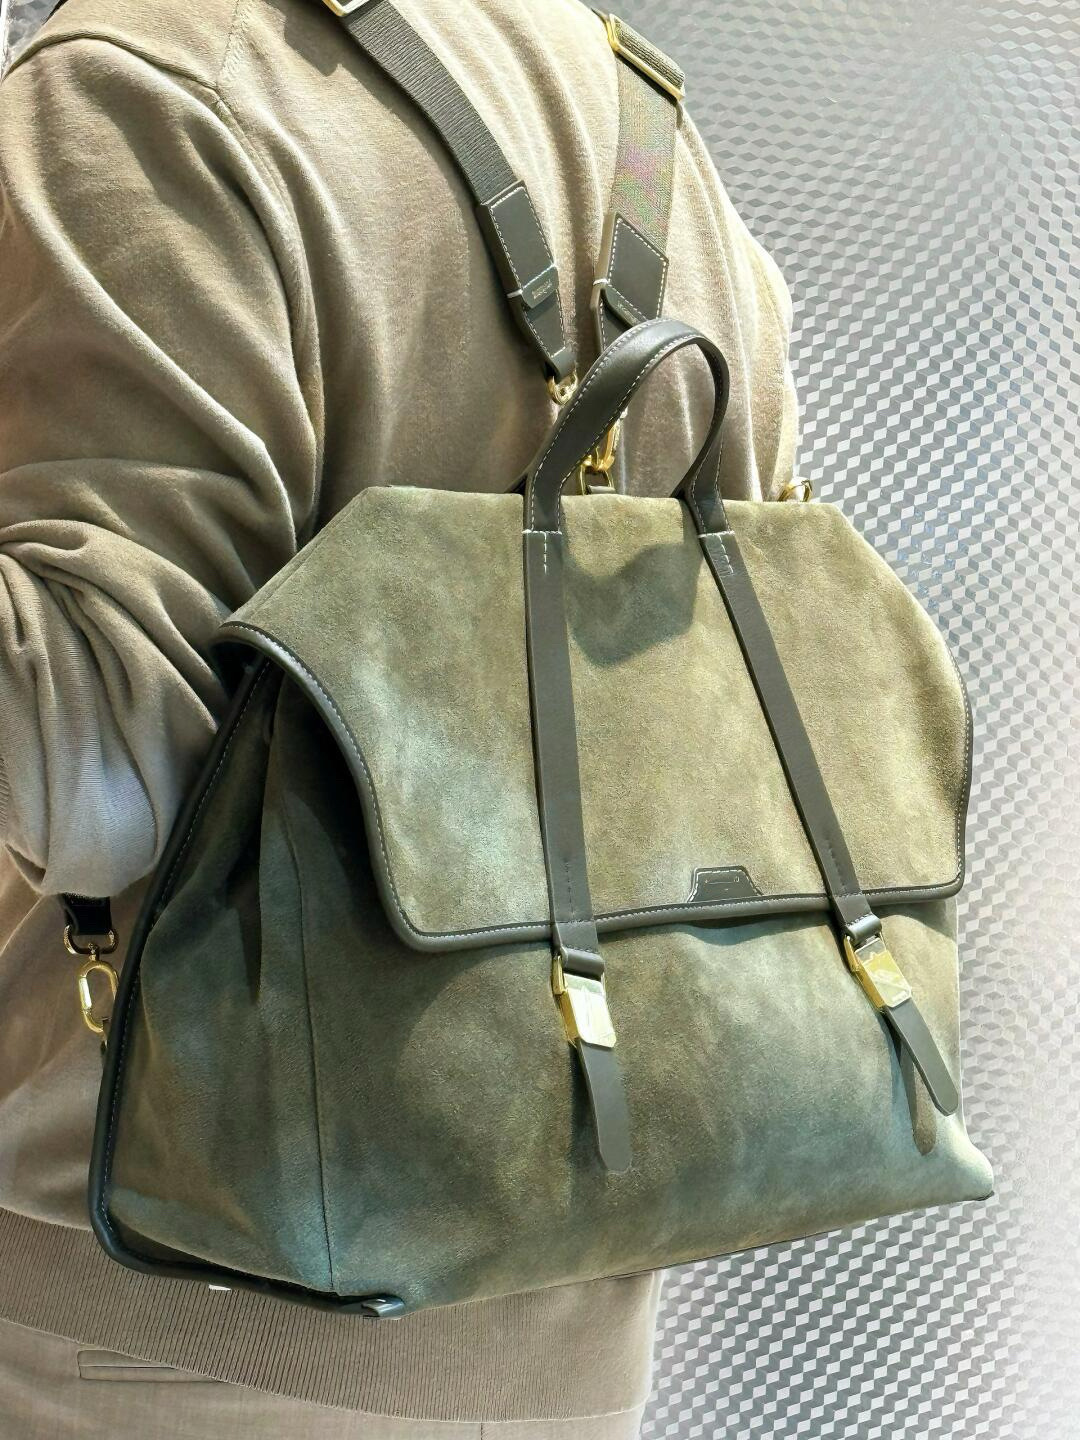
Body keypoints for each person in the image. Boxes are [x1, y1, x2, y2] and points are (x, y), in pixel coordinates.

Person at [0, 0, 800, 1433]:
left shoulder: (134, 85)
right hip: (572, 1352)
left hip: (150, 1334)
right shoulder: (635, 116)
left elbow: (103, 770)